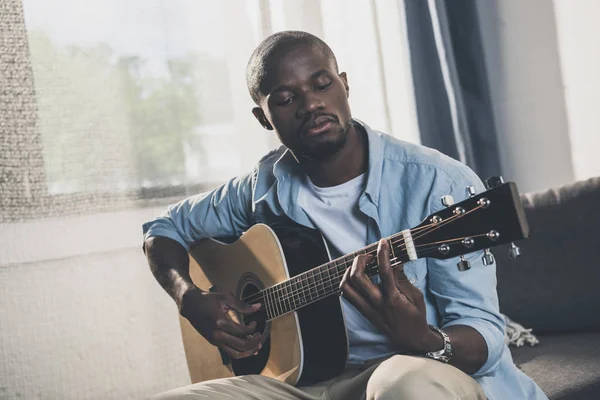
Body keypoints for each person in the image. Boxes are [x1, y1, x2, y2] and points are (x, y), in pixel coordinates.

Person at [142, 30, 547, 400]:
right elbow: (162, 229)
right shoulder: (260, 185)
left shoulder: (440, 184)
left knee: (406, 384)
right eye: (286, 99)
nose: (311, 104)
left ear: (345, 84)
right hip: (307, 381)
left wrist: (424, 338)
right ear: (264, 118)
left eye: (322, 84)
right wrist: (188, 297)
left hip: (415, 372)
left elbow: (487, 336)